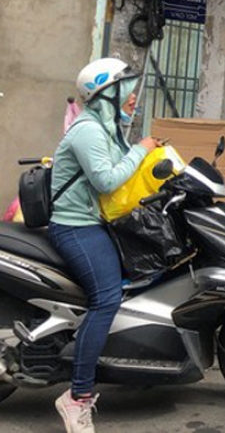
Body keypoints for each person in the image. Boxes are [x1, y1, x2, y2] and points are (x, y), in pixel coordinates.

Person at [49, 57, 160, 433]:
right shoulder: (88, 131)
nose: (133, 98)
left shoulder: (107, 126)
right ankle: (76, 397)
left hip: (96, 221)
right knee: (107, 298)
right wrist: (141, 149)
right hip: (75, 227)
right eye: (126, 91)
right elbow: (107, 180)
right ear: (107, 93)